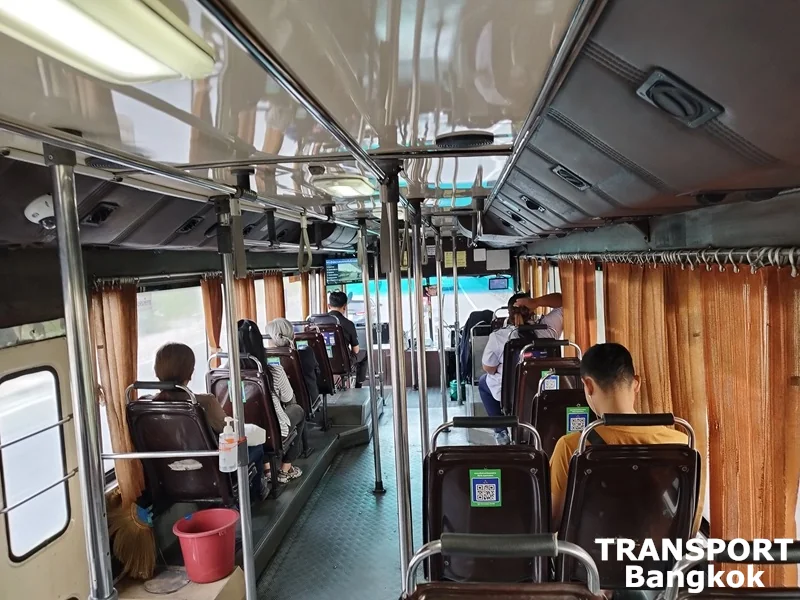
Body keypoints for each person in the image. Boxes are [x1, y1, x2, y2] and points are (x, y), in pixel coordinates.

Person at [549, 343, 689, 528]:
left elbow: (552, 520)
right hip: (660, 554)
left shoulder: (574, 446)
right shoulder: (682, 444)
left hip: (588, 556)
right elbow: (689, 523)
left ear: (588, 385)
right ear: (636, 383)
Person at [152, 342, 270, 499]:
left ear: (156, 371)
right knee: (257, 448)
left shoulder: (144, 407)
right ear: (190, 373)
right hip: (209, 471)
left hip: (166, 473)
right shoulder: (204, 402)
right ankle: (257, 493)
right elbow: (227, 433)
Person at [237, 319, 304, 485]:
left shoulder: (222, 376)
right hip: (272, 433)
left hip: (240, 432)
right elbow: (288, 398)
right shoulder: (271, 371)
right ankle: (285, 469)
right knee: (298, 410)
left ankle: (267, 469)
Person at [478, 292, 536, 445]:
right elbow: (563, 301)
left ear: (509, 313)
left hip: (511, 392)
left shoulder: (499, 336)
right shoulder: (548, 330)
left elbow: (488, 368)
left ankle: (501, 432)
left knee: (484, 382)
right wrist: (537, 301)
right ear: (533, 310)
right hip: (542, 386)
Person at [265, 317, 321, 406]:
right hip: (308, 399)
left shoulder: (264, 359)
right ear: (293, 335)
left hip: (278, 403)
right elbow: (317, 373)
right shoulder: (306, 353)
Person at [327, 290, 368, 387]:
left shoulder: (318, 323)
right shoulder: (348, 324)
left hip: (323, 362)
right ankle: (358, 385)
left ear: (329, 306)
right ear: (345, 306)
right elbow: (356, 350)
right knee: (365, 355)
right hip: (343, 363)